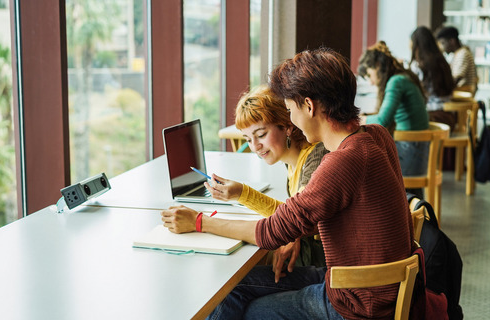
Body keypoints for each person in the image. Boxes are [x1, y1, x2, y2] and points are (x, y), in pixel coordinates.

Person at [161, 47, 414, 319]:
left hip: (355, 302)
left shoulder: (341, 162)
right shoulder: (376, 135)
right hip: (371, 286)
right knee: (234, 288)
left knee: (245, 310)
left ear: (309, 105)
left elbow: (271, 232)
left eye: (290, 109)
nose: (291, 119)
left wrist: (199, 222)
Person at [207, 84, 328, 267]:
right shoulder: (292, 163)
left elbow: (293, 220)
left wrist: (242, 194)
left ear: (287, 126)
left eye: (261, 135)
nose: (255, 147)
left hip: (323, 269)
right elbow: (292, 218)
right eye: (248, 139)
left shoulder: (315, 159)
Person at [358, 41, 429, 197]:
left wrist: (357, 121)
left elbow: (382, 120)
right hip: (417, 151)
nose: (371, 81)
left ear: (377, 65)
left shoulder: (396, 82)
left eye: (370, 75)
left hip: (411, 152)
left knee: (362, 166)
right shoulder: (402, 77)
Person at [410, 26, 457, 129]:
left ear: (416, 45)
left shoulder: (418, 66)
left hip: (432, 118)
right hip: (449, 116)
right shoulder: (443, 61)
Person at [436, 26, 478, 94]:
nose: (442, 47)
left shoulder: (463, 54)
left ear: (452, 41)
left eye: (443, 43)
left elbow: (456, 79)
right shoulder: (458, 54)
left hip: (462, 93)